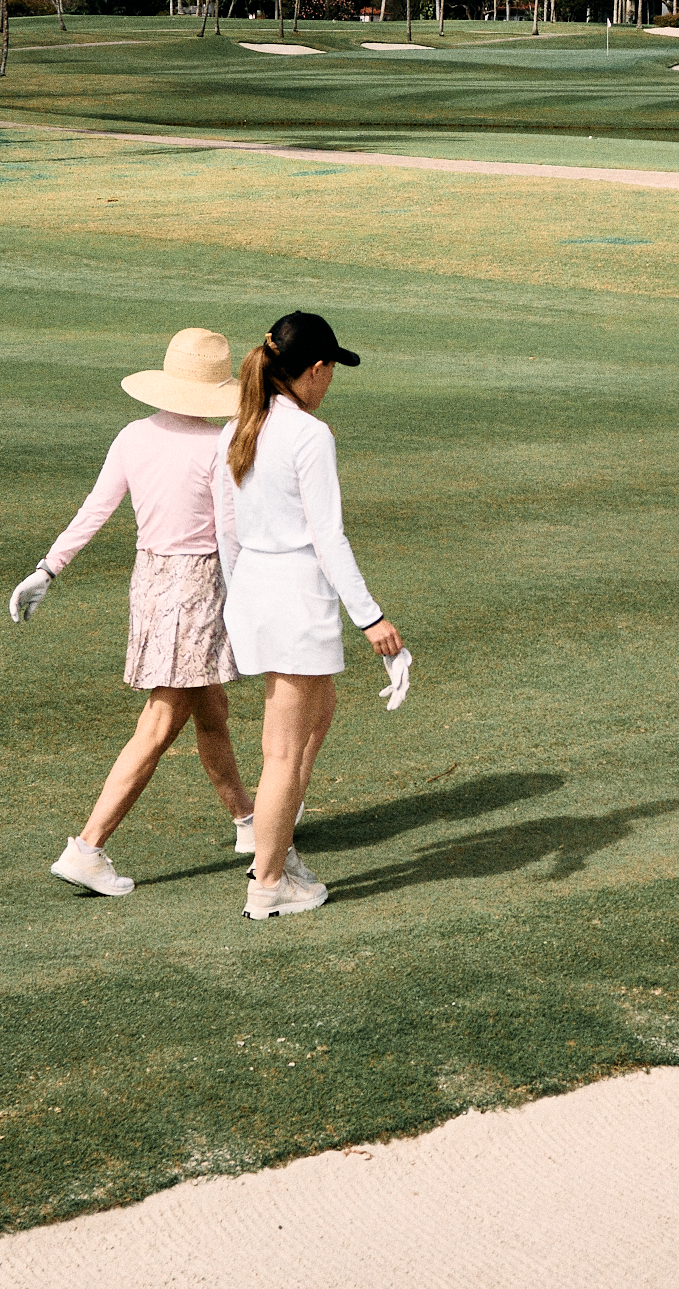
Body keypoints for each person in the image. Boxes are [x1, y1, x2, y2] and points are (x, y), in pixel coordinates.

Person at [12, 329, 254, 897]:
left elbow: (96, 509)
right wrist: (249, 596)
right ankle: (89, 847)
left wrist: (49, 568)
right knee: (161, 721)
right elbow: (230, 531)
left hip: (149, 583)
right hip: (200, 586)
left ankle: (247, 820)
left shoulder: (133, 436)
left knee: (210, 704)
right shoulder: (221, 445)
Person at [215, 311, 408, 920]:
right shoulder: (309, 436)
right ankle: (267, 883)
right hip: (293, 599)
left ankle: (280, 852)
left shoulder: (238, 428)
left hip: (257, 593)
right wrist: (372, 619)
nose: (330, 384)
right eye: (330, 372)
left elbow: (228, 530)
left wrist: (236, 597)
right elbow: (330, 538)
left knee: (315, 715)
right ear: (316, 370)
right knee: (283, 749)